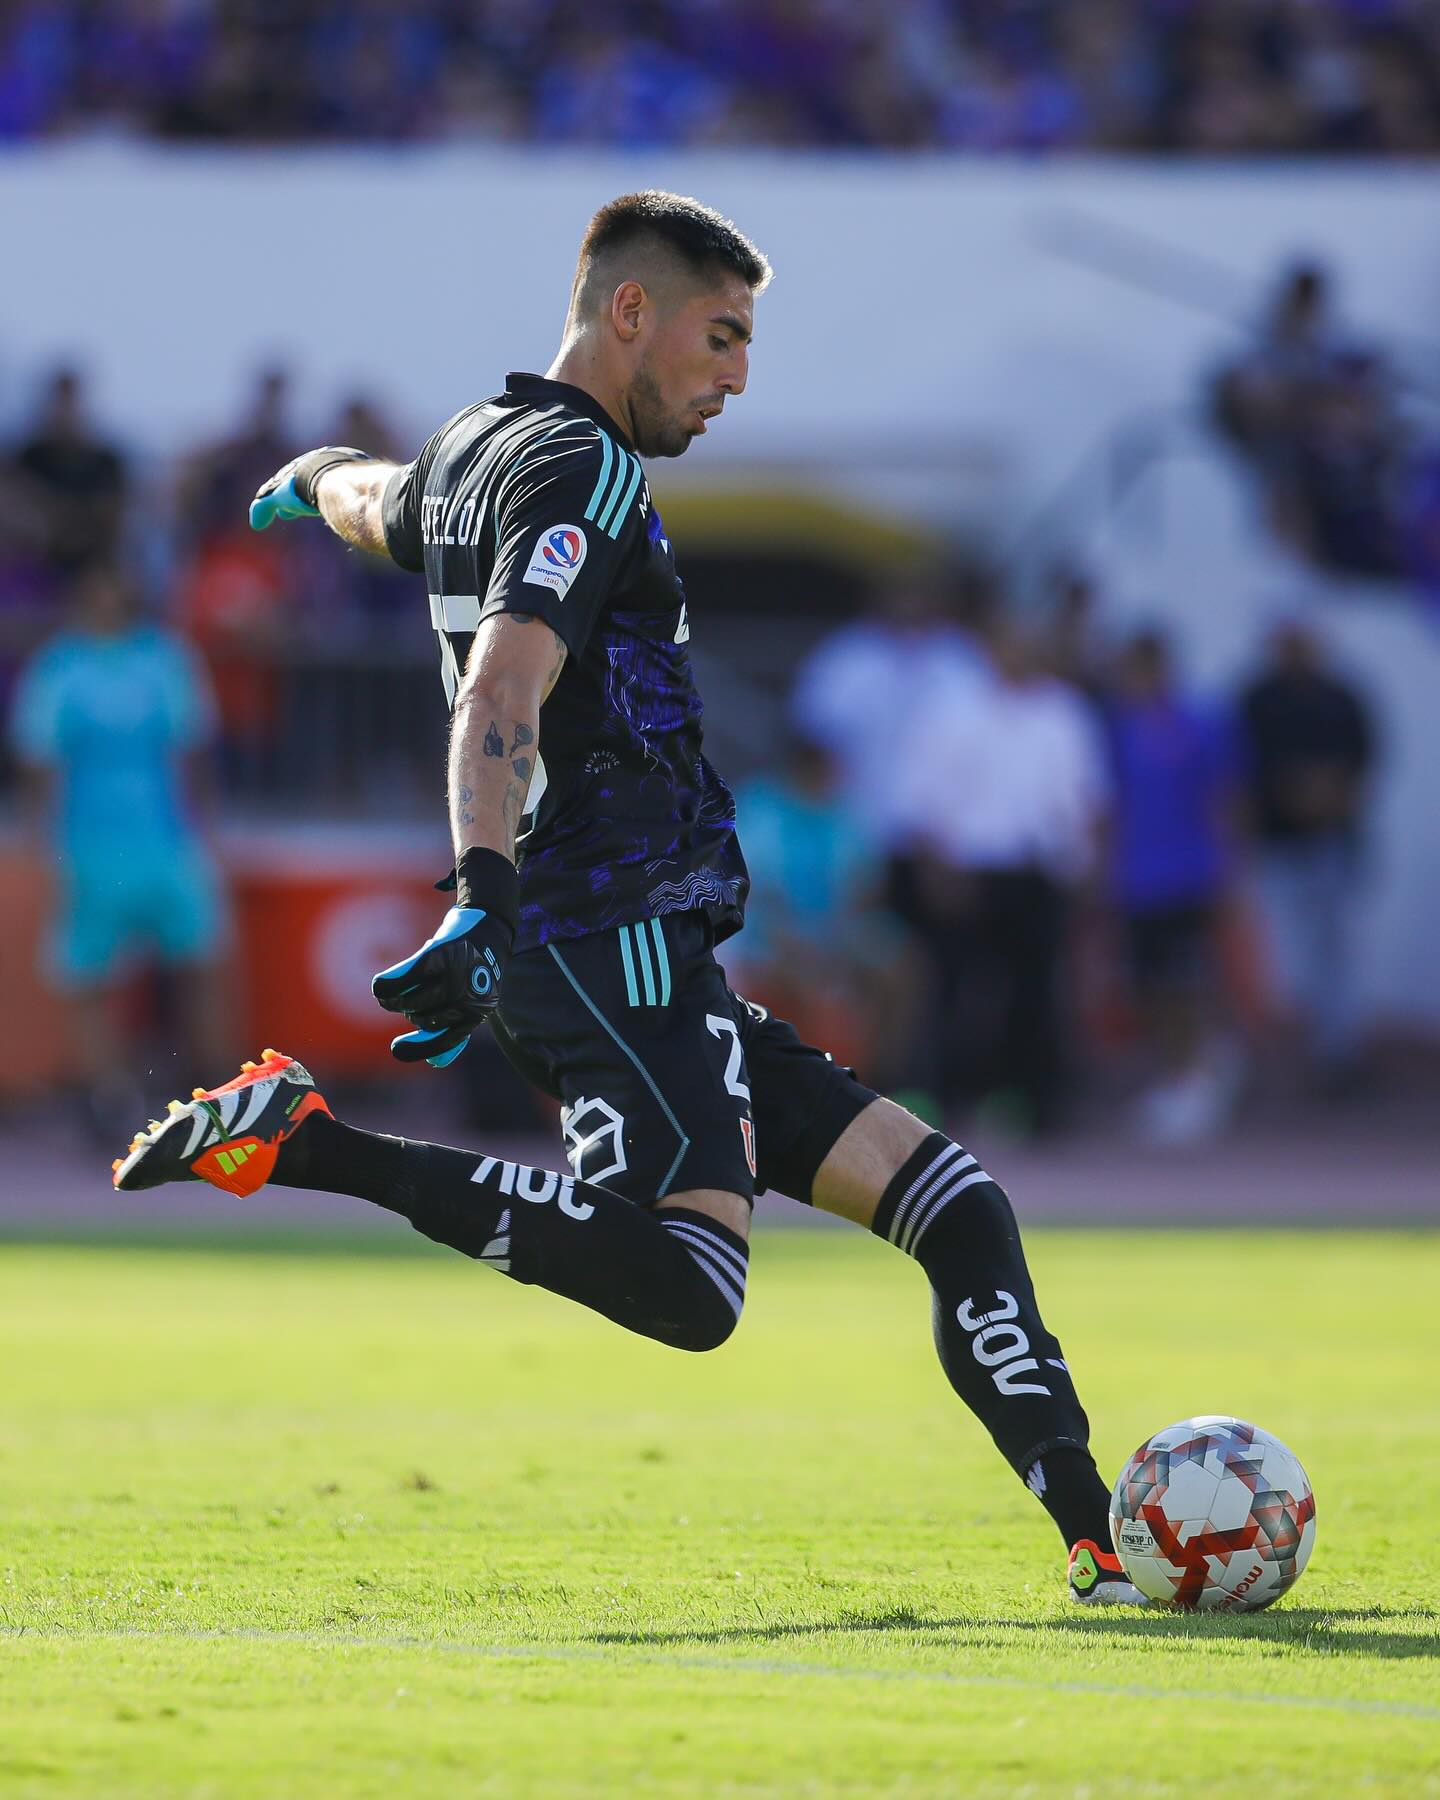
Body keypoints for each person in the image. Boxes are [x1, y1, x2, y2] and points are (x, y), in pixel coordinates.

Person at [112, 190, 1143, 1606]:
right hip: (601, 934)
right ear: (631, 312)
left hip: (636, 943)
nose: (738, 379)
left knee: (955, 1206)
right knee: (694, 1289)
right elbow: (504, 685)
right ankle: (315, 1144)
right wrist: (480, 890)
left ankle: (1096, 1533)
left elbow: (374, 506)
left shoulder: (473, 449)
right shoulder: (583, 474)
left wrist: (311, 474)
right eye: (722, 339)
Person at [10, 563, 231, 1138]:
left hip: (166, 838)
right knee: (87, 974)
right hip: (89, 844)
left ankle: (217, 1093)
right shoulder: (61, 665)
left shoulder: (164, 658)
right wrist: (43, 841)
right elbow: (39, 759)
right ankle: (106, 1099)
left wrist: (206, 829)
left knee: (202, 959)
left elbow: (192, 748)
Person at [891, 618, 1110, 1133]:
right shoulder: (953, 710)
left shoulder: (1064, 713)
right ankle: (940, 1102)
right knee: (953, 990)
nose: (1018, 653)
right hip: (966, 871)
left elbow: (1088, 799)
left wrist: (1087, 868)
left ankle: (1034, 1106)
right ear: (989, 648)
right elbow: (921, 798)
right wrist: (937, 870)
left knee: (1035, 994)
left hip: (1037, 871)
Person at [1103, 629, 1244, 1146]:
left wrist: (1230, 868)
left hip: (1189, 873)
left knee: (1188, 980)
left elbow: (1225, 798)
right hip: (1136, 878)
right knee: (1150, 984)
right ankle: (1174, 1074)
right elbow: (1109, 805)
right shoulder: (1119, 728)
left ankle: (1198, 1075)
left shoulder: (1200, 724)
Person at [1239, 618, 1376, 1091]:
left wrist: (1328, 794)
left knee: (1333, 951)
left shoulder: (1341, 696)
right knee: (1282, 954)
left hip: (1331, 841)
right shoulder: (1256, 698)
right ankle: (1284, 1053)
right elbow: (1242, 769)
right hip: (1277, 845)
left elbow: (1365, 762)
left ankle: (1335, 1054)